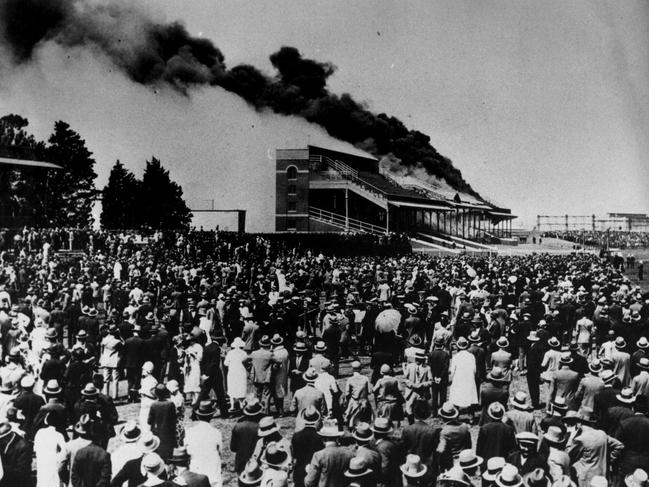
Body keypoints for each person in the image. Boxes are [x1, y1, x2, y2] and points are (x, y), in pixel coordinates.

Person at [185, 401, 223, 487]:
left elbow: (186, 450)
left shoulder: (190, 432)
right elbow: (220, 451)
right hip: (212, 468)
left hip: (196, 468)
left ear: (198, 416)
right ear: (212, 416)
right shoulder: (216, 432)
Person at [401, 400, 440, 484]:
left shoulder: (407, 430)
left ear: (414, 413)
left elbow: (403, 449)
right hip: (428, 466)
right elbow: (435, 450)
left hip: (411, 466)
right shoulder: (433, 431)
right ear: (427, 414)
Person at [304, 421, 353, 487]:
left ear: (323, 439)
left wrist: (309, 471)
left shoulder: (319, 455)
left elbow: (309, 482)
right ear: (337, 438)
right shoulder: (349, 454)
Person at [291, 406, 324, 487]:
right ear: (316, 419)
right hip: (315, 471)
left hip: (299, 471)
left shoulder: (296, 436)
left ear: (304, 418)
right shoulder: (320, 437)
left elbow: (294, 456)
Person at [33, 412, 67, 487]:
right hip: (53, 462)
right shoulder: (58, 435)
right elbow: (64, 451)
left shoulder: (39, 432)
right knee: (53, 482)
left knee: (42, 481)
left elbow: (35, 449)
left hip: (41, 462)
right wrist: (59, 459)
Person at [231, 399, 264, 474]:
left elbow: (233, 448)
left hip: (240, 464)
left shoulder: (237, 426)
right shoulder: (261, 427)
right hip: (257, 464)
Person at [448, 337, 478, 413]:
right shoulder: (471, 356)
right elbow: (474, 369)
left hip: (459, 378)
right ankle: (471, 415)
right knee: (469, 394)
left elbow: (452, 370)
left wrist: (453, 377)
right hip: (469, 378)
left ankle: (456, 412)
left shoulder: (456, 357)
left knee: (457, 394)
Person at [148, 384, 177, 460]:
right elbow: (174, 419)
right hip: (169, 432)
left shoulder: (153, 405)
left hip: (157, 432)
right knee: (169, 454)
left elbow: (149, 421)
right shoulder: (170, 404)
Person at [224, 337, 249, 412]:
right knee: (241, 387)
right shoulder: (244, 353)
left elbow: (226, 363)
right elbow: (246, 363)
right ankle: (241, 404)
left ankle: (232, 405)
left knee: (232, 387)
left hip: (232, 372)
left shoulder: (230, 353)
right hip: (241, 372)